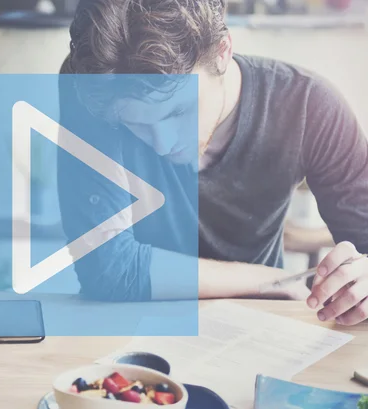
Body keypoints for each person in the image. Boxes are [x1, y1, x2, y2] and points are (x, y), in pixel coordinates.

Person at [57, 0, 368, 326]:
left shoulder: (307, 105)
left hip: (262, 329)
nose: (162, 144)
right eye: (135, 125)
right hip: (133, 333)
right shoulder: (94, 89)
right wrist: (267, 281)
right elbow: (107, 270)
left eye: (178, 112)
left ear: (222, 51)